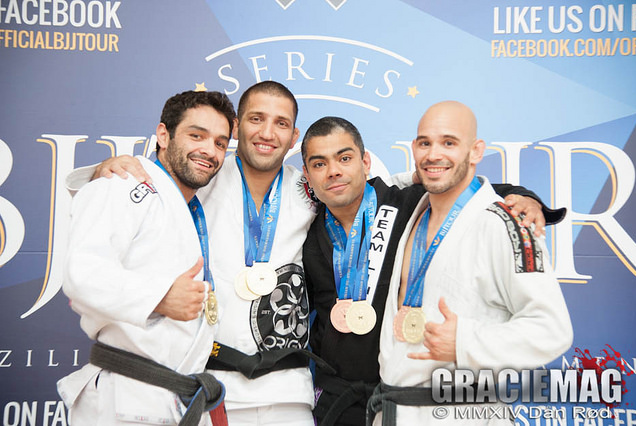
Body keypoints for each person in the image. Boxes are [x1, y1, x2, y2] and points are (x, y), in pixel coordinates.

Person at [68, 83, 555, 426]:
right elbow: (160, 182)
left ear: (293, 136)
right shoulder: (208, 175)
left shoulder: (307, 190)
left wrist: (521, 195)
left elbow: (429, 181)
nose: (267, 132)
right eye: (255, 120)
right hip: (210, 377)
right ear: (239, 129)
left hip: (290, 388)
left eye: (282, 123)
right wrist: (113, 166)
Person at [300, 117, 565, 426]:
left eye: (344, 158)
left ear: (365, 161)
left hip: (404, 395)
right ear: (307, 173)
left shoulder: (407, 203)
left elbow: (467, 188)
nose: (334, 171)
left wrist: (525, 197)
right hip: (339, 399)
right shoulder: (306, 230)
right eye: (319, 164)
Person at [369, 101, 573, 425]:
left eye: (449, 142)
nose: (433, 154)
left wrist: (465, 341)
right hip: (393, 408)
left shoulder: (507, 223)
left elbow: (552, 329)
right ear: (414, 149)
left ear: (476, 151)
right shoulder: (413, 211)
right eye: (425, 143)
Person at [57, 90, 236, 425]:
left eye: (220, 143)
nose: (209, 151)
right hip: (125, 395)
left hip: (174, 395)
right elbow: (82, 273)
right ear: (163, 135)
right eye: (196, 135)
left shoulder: (190, 201)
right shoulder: (122, 182)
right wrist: (161, 297)